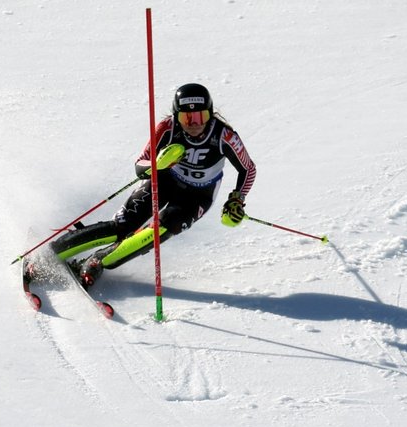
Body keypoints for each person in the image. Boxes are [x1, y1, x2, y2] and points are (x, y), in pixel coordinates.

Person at [49, 82, 257, 288]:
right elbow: (140, 165)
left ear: (210, 114)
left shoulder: (224, 136)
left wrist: (237, 198)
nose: (194, 124)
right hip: (165, 180)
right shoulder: (168, 128)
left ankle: (97, 261)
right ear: (177, 116)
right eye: (187, 117)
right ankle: (53, 251)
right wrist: (157, 165)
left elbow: (248, 169)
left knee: (162, 227)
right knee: (123, 227)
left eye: (200, 116)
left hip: (198, 195)